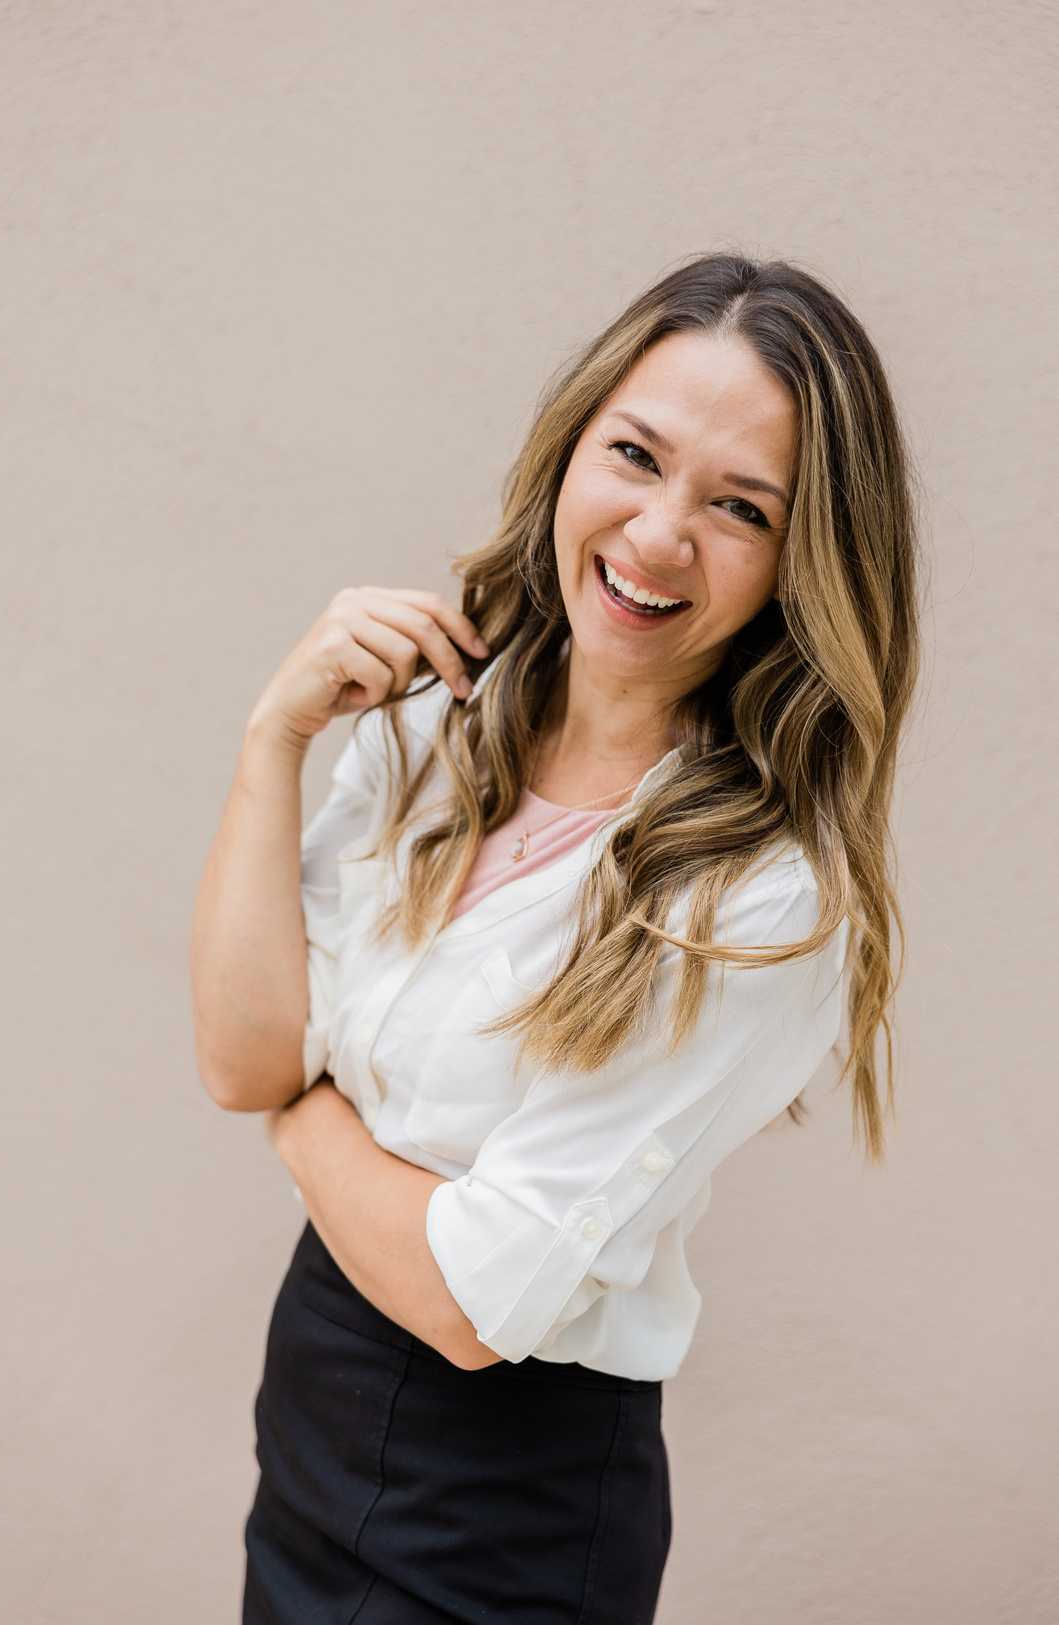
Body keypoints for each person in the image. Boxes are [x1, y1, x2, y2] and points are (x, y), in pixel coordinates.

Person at [190, 253, 919, 1625]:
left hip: (504, 1512)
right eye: (634, 455)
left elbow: (476, 1300)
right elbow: (240, 1055)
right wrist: (273, 739)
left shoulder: (761, 897)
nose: (656, 535)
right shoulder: (430, 721)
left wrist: (305, 1119)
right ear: (572, 440)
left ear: (800, 564)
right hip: (315, 1415)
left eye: (739, 507)